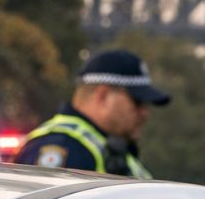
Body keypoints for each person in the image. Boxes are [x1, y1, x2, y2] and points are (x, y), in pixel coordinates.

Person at [14, 49, 168, 177]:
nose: (145, 113)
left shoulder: (102, 146)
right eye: (138, 102)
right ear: (103, 96)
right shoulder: (63, 146)